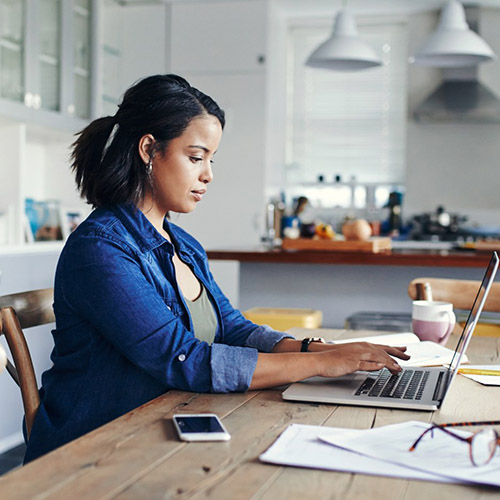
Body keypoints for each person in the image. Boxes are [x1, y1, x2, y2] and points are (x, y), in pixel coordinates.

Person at [24, 74, 409, 462]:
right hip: (94, 451)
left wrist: (322, 350)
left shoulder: (184, 246)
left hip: (165, 428)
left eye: (211, 159)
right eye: (195, 157)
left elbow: (232, 329)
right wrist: (317, 364)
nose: (208, 174)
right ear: (148, 150)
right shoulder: (101, 248)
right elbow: (182, 359)